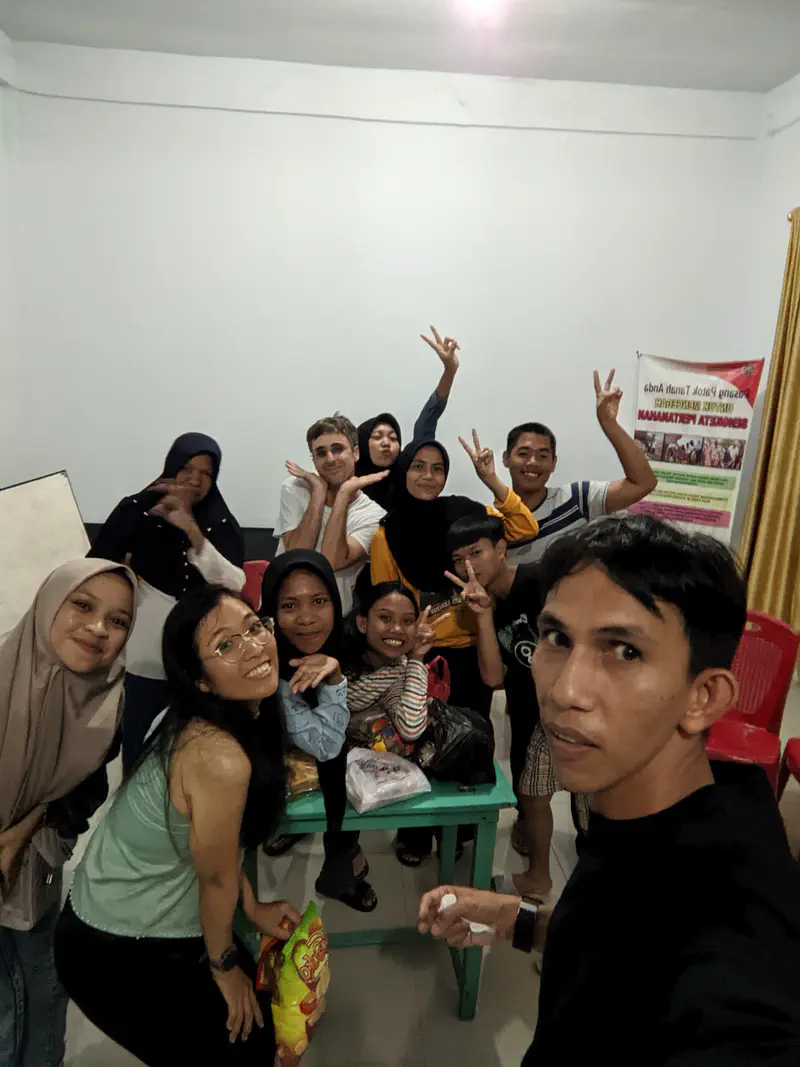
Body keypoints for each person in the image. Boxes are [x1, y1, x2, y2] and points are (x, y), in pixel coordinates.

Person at [420, 514, 800, 1065]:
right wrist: (516, 919)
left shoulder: (732, 950)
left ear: (704, 697)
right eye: (556, 638)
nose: (565, 690)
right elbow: (628, 937)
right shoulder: (677, 808)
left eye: (624, 651)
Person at [56, 583, 300, 1066]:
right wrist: (224, 967)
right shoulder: (218, 754)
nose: (253, 646)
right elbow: (215, 877)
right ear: (201, 680)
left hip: (118, 915)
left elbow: (218, 848)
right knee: (244, 1045)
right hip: (116, 946)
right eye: (226, 645)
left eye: (253, 627)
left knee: (255, 1029)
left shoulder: (209, 716)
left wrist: (251, 908)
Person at [0, 559, 136, 1067]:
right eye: (82, 605)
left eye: (119, 621)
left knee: (40, 991)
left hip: (34, 869)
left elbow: (86, 790)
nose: (99, 629)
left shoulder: (109, 704)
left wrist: (19, 836)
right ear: (49, 603)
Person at [89, 432, 246, 771]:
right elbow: (95, 568)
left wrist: (191, 530)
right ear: (171, 466)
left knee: (189, 753)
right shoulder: (138, 510)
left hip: (197, 659)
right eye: (187, 468)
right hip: (143, 657)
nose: (195, 479)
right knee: (137, 745)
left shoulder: (218, 520)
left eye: (206, 473)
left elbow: (236, 583)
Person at [370, 433, 538, 717]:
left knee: (473, 739)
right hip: (422, 653)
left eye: (438, 469)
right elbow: (387, 601)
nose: (429, 476)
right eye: (418, 466)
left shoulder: (463, 511)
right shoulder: (386, 535)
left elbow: (525, 527)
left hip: (477, 648)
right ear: (403, 471)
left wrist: (491, 480)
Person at [261, 551, 377, 912]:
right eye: (290, 605)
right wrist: (334, 682)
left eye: (320, 601)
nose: (307, 619)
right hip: (271, 756)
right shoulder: (265, 659)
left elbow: (330, 745)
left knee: (338, 787)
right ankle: (292, 826)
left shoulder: (346, 641)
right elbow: (322, 741)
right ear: (272, 611)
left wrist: (334, 674)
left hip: (329, 751)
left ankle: (339, 870)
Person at [444, 514, 544, 868]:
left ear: (501, 549)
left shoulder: (537, 582)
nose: (467, 565)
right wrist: (484, 616)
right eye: (458, 560)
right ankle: (528, 825)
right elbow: (491, 677)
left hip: (569, 704)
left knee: (584, 796)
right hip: (526, 705)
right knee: (528, 786)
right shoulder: (484, 602)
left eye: (476, 553)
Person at [503, 369, 657, 565]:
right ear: (506, 459)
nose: (533, 462)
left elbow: (643, 483)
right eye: (523, 454)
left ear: (553, 463)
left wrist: (608, 423)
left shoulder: (577, 499)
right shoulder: (494, 521)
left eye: (542, 456)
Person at [275, 415, 387, 615]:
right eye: (321, 453)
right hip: (283, 612)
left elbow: (331, 561)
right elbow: (296, 556)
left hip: (335, 619)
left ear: (355, 453)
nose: (330, 459)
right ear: (314, 459)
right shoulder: (295, 488)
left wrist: (343, 494)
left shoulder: (374, 515)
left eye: (337, 449)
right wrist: (318, 492)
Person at [355, 326, 461, 510]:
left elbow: (427, 420)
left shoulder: (408, 473)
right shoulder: (347, 481)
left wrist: (449, 371)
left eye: (393, 438)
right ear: (361, 444)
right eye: (378, 436)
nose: (387, 443)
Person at [343, 582, 438, 755]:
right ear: (363, 624)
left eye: (408, 621)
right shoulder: (337, 660)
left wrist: (416, 658)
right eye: (385, 618)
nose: (397, 629)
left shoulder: (400, 673)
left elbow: (411, 729)